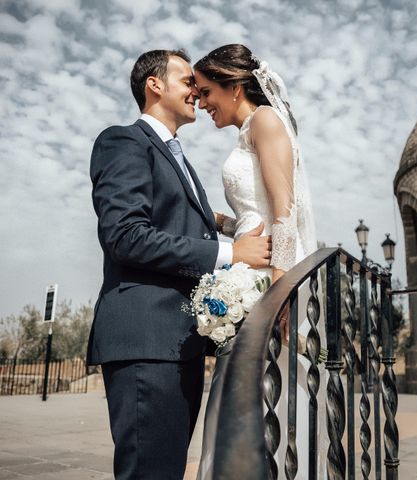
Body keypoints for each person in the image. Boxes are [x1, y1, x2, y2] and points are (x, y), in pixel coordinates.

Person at [87, 48, 271, 480]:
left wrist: (240, 223)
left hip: (180, 343)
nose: (197, 91)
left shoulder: (180, 159)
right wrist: (232, 254)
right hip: (146, 341)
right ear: (154, 84)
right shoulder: (123, 140)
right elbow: (125, 237)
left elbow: (191, 224)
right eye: (187, 80)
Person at [192, 44, 328, 479]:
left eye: (206, 91)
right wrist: (214, 220)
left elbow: (284, 210)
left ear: (234, 88)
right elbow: (258, 220)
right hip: (249, 269)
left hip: (269, 280)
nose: (201, 101)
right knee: (246, 390)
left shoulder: (265, 121)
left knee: (260, 390)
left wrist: (280, 289)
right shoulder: (248, 129)